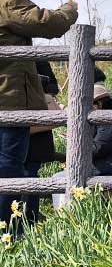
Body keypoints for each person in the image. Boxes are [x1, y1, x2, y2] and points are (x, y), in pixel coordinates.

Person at [0, 0, 78, 223]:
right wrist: (69, 10)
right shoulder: (6, 1)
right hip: (9, 99)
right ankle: (8, 228)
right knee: (10, 167)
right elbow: (47, 22)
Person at [23, 62, 62, 225]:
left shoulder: (37, 58)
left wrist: (34, 84)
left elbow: (53, 87)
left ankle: (29, 221)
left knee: (30, 176)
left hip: (34, 133)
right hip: (23, 124)